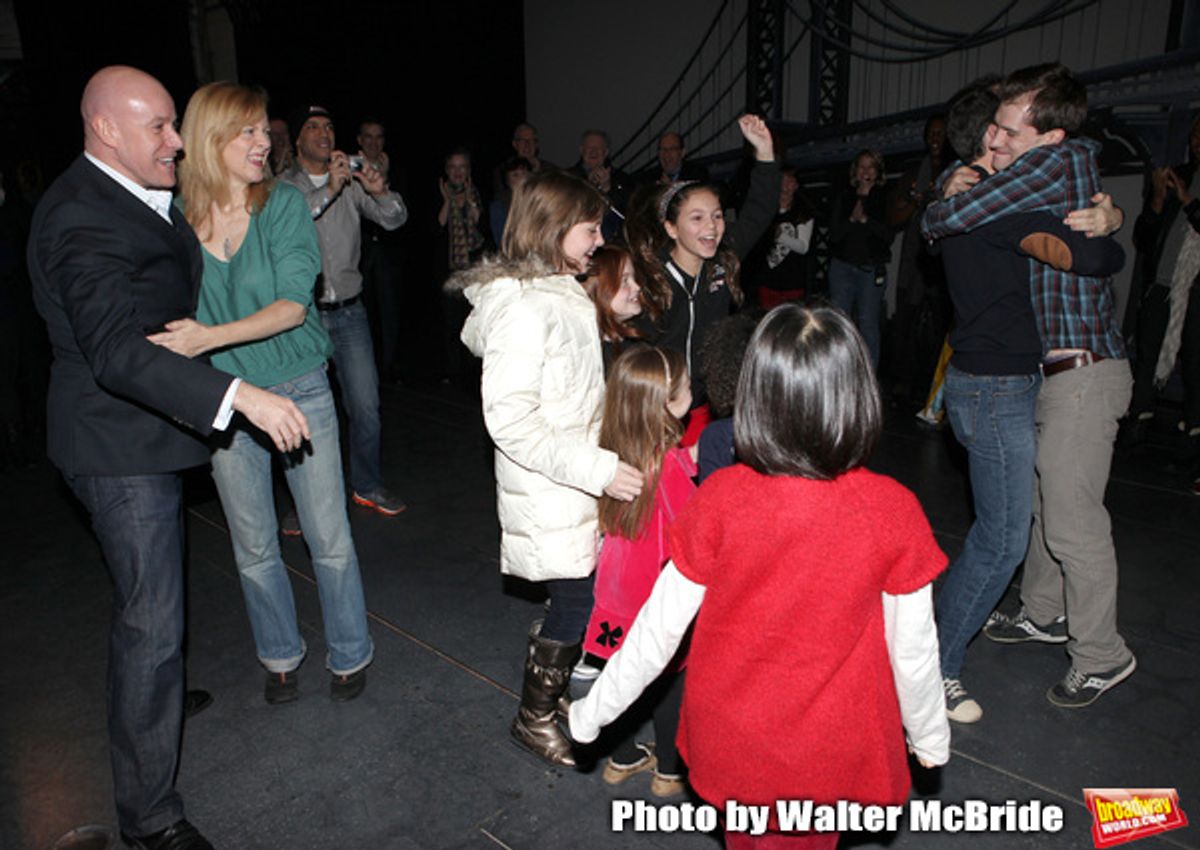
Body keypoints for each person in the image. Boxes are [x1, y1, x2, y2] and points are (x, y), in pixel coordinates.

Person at [28, 65, 309, 850]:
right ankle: (150, 819)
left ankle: (150, 695)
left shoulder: (128, 196)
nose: (176, 140)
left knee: (154, 607)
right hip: (114, 445)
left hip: (145, 432)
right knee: (151, 623)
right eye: (157, 126)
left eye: (175, 124)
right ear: (105, 129)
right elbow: (116, 353)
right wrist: (240, 396)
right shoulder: (80, 217)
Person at [570, 304, 950, 849]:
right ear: (857, 397)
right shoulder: (893, 511)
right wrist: (929, 734)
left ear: (756, 396)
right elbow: (913, 650)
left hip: (732, 742)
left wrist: (594, 712)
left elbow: (657, 630)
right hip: (827, 750)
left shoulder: (720, 499)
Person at [152, 81, 374, 705]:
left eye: (262, 131)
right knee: (251, 542)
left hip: (297, 385)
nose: (262, 142)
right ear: (209, 137)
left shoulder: (279, 204)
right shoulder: (175, 218)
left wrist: (205, 339)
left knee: (327, 533)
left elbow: (290, 306)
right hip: (224, 398)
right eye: (246, 131)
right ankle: (279, 652)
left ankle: (350, 650)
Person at [922, 62, 1134, 708]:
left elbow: (1097, 254)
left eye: (1011, 127)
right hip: (1017, 381)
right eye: (997, 129)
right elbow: (1098, 255)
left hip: (1080, 371)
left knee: (1060, 521)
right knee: (1025, 521)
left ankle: (1099, 654)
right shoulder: (1021, 183)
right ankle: (1018, 623)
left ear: (1045, 137)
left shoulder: (1041, 172)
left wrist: (1111, 220)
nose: (1004, 138)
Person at [450, 169, 645, 766]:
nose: (597, 239)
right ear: (554, 229)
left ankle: (548, 698)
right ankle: (534, 718)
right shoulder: (524, 309)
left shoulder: (560, 293)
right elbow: (511, 422)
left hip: (575, 481)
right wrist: (597, 468)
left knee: (575, 597)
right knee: (576, 600)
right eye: (588, 228)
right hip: (553, 485)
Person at [277, 104, 408, 516]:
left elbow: (394, 219)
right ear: (298, 139)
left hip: (350, 312)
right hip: (302, 318)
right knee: (306, 416)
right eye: (313, 126)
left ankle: (366, 484)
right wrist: (331, 189)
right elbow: (296, 221)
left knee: (366, 407)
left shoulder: (349, 182)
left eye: (330, 126)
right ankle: (307, 502)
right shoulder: (283, 187)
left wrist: (378, 189)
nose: (324, 133)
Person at [583, 345, 696, 797]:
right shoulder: (666, 468)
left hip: (614, 596)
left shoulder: (609, 454)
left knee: (619, 674)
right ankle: (668, 771)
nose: (693, 392)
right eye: (686, 388)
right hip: (654, 601)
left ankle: (620, 758)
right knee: (669, 684)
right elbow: (689, 531)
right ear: (667, 405)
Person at [628, 114, 779, 439]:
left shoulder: (722, 260)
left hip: (704, 407)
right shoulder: (649, 275)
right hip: (655, 407)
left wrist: (765, 153)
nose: (711, 227)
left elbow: (761, 210)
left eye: (717, 216)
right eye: (696, 218)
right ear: (671, 228)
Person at [1124, 112, 1200, 450]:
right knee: (1148, 355)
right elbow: (1143, 236)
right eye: (1195, 134)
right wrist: (1157, 199)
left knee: (1195, 362)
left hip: (1195, 292)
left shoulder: (1184, 187)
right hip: (1161, 286)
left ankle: (1192, 432)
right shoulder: (1178, 176)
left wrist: (1187, 201)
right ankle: (1138, 422)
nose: (1197, 141)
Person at [887, 115, 949, 404]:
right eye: (932, 133)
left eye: (941, 133)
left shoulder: (955, 170)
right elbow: (893, 217)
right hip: (915, 257)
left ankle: (933, 384)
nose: (936, 139)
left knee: (939, 323)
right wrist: (915, 199)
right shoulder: (914, 173)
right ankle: (903, 378)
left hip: (944, 259)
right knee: (907, 320)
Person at [828, 148, 892, 370]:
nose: (865, 171)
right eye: (861, 166)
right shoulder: (844, 195)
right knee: (839, 322)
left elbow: (888, 234)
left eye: (870, 167)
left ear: (877, 171)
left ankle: (868, 375)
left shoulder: (885, 196)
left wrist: (865, 220)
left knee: (868, 323)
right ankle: (838, 371)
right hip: (842, 267)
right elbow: (833, 235)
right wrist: (851, 219)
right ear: (855, 171)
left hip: (870, 269)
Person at [743, 164, 813, 309]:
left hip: (793, 282)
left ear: (796, 185)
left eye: (790, 181)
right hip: (767, 281)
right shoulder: (765, 211)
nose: (785, 186)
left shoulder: (803, 212)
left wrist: (779, 235)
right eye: (782, 181)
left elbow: (803, 247)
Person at [581, 244, 643, 371]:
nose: (637, 287)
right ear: (599, 290)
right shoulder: (588, 356)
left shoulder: (636, 345)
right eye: (625, 281)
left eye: (634, 278)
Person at [568, 129, 633, 241]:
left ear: (606, 152)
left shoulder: (623, 179)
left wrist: (608, 189)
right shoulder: (568, 178)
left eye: (598, 148)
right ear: (582, 150)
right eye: (589, 148)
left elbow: (628, 215)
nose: (593, 152)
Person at [639, 131, 710, 187]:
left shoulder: (697, 173)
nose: (666, 154)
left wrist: (672, 187)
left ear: (682, 153)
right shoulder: (649, 177)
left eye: (672, 149)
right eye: (663, 149)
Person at [489, 155, 532, 246]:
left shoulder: (537, 200)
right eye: (515, 175)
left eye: (524, 174)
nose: (521, 179)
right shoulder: (499, 204)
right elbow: (501, 240)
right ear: (507, 180)